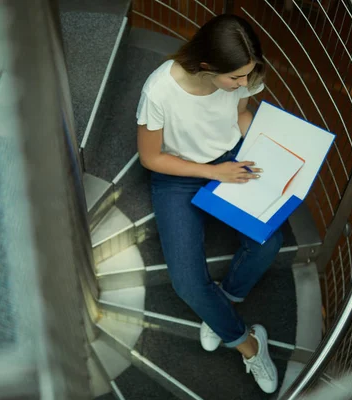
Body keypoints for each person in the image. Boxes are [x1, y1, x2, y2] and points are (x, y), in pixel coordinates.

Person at [135, 14, 284, 394]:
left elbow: (240, 113)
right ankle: (248, 343)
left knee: (269, 242)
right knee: (186, 283)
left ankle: (223, 300)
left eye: (247, 76)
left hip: (230, 157)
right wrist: (213, 173)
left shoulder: (241, 77)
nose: (244, 84)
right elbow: (151, 158)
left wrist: (264, 143)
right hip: (177, 177)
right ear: (205, 66)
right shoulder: (159, 91)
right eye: (236, 78)